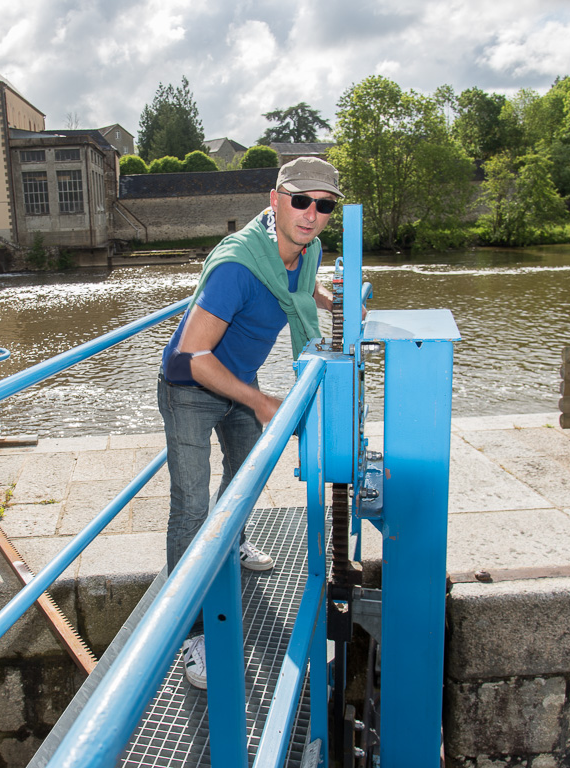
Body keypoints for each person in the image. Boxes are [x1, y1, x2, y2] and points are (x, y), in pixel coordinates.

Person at [157, 156, 339, 689]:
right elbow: (193, 354)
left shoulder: (309, 251)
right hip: (191, 387)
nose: (310, 213)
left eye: (323, 204)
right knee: (191, 507)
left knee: (243, 482)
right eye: (300, 200)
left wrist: (332, 300)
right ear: (275, 200)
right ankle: (191, 633)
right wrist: (261, 402)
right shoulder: (236, 266)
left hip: (241, 382)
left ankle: (233, 541)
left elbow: (299, 290)